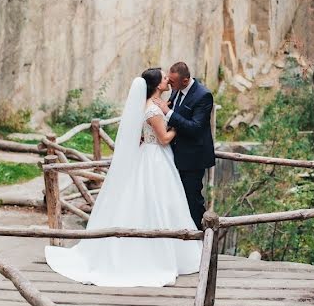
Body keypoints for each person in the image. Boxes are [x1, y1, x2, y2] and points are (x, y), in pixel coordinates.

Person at [44, 68, 201, 287]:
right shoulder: (153, 110)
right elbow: (164, 138)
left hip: (151, 155)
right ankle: (159, 254)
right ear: (157, 85)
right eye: (165, 78)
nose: (168, 80)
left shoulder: (150, 107)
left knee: (158, 203)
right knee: (158, 203)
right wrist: (177, 125)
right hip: (155, 159)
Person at [152, 61, 215, 230]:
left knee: (192, 201)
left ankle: (201, 242)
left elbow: (195, 128)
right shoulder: (176, 90)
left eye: (172, 81)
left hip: (193, 159)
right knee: (176, 200)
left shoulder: (203, 96)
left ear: (185, 80)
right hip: (174, 156)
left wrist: (168, 112)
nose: (169, 84)